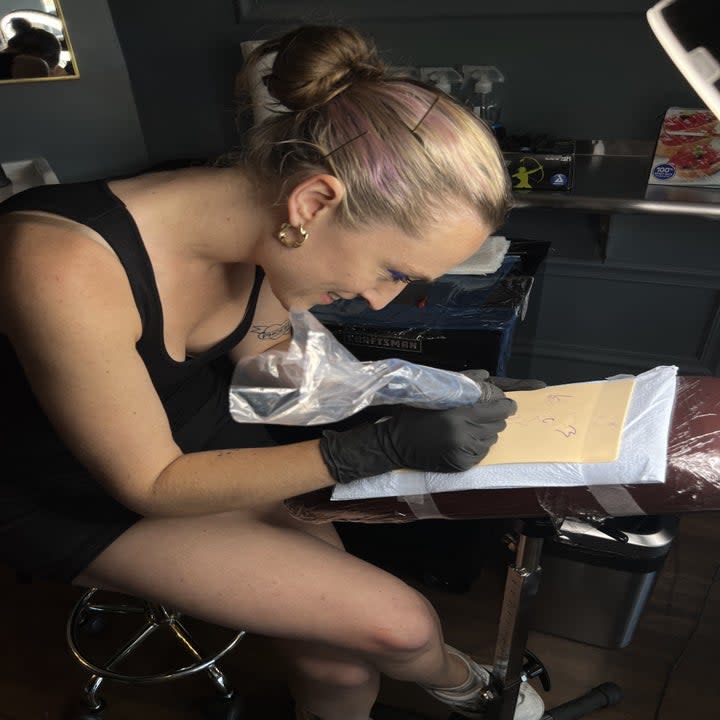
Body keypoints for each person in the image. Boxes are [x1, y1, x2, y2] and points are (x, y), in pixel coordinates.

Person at [0, 24, 543, 720]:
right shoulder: (60, 262)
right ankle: (476, 688)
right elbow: (151, 483)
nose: (381, 300)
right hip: (76, 494)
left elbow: (282, 370)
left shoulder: (254, 214)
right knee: (397, 625)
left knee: (337, 663)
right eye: (393, 271)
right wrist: (372, 448)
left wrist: (438, 388)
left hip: (207, 443)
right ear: (314, 203)